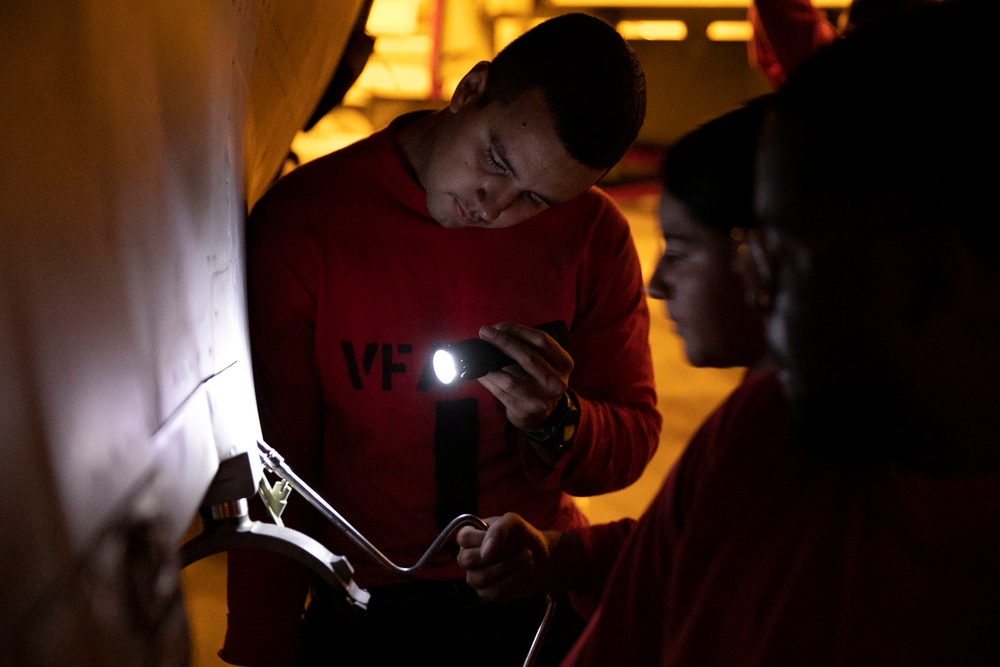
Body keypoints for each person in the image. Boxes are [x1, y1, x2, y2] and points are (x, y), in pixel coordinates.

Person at [464, 1, 1000, 664]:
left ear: (930, 276)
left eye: (781, 258)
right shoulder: (763, 434)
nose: (759, 295)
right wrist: (569, 553)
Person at [222, 12, 661, 667]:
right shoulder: (309, 226)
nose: (494, 204)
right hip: (365, 595)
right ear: (471, 88)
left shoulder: (593, 236)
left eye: (536, 199)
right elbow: (275, 470)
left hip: (531, 590)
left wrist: (557, 422)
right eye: (496, 158)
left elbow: (630, 440)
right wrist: (263, 641)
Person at [458, 97, 781, 664]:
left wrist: (559, 422)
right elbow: (685, 546)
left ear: (761, 257)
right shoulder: (757, 415)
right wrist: (561, 556)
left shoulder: (795, 435)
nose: (656, 284)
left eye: (679, 252)